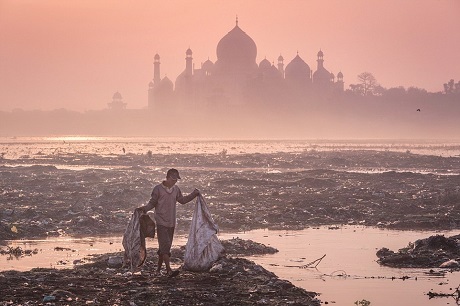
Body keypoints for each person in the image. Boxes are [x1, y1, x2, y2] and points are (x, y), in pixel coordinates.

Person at [138, 168, 199, 276]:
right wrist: (144, 209)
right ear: (168, 177)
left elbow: (182, 200)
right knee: (165, 247)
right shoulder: (158, 189)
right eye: (173, 178)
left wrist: (194, 194)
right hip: (161, 222)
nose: (175, 181)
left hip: (171, 222)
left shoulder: (176, 190)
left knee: (165, 247)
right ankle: (168, 270)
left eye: (176, 179)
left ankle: (157, 270)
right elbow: (152, 203)